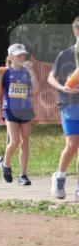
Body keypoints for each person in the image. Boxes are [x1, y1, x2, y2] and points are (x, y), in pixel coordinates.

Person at [0, 43, 38, 186]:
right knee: (14, 141)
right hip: (10, 109)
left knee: (25, 141)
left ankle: (23, 175)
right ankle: (5, 165)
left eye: (23, 54)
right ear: (11, 56)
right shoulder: (5, 72)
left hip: (26, 110)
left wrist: (32, 72)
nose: (22, 57)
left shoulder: (27, 71)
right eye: (18, 55)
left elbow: (36, 90)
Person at [48, 17, 79, 200]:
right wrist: (63, 88)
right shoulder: (65, 55)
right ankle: (59, 177)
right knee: (73, 144)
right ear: (76, 32)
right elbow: (51, 78)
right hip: (69, 104)